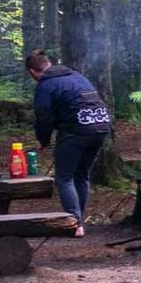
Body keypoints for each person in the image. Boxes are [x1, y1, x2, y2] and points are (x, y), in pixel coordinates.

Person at [27, 49, 114, 236]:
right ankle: (78, 220)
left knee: (64, 178)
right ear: (48, 64)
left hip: (76, 130)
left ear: (32, 72)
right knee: (81, 174)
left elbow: (44, 117)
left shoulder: (46, 85)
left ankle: (74, 223)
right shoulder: (76, 75)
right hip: (100, 126)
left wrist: (43, 140)